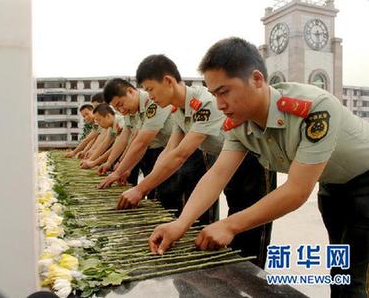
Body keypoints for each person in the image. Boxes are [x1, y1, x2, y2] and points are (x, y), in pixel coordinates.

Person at [149, 37, 369, 298]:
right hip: (332, 185)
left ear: (256, 79)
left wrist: (230, 225)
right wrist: (181, 224)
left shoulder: (313, 109)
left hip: (365, 181)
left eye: (224, 91)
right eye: (213, 95)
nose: (219, 104)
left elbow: (297, 191)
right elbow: (218, 174)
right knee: (340, 268)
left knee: (352, 278)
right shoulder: (239, 123)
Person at [121, 54, 274, 264]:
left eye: (150, 89)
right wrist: (147, 186)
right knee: (233, 218)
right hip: (224, 160)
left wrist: (141, 189)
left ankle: (255, 283)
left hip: (252, 160)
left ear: (168, 81)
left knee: (252, 233)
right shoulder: (177, 109)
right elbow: (170, 152)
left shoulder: (204, 103)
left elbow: (181, 155)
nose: (149, 95)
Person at [97, 78, 184, 211]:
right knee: (157, 195)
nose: (121, 110)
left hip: (181, 150)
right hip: (163, 151)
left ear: (131, 91)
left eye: (121, 104)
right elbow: (133, 138)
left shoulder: (153, 103)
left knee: (171, 196)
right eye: (116, 108)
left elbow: (142, 142)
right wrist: (123, 166)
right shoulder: (134, 109)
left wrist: (118, 171)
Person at [79, 103, 124, 169]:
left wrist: (94, 163)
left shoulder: (119, 123)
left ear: (108, 116)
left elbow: (116, 147)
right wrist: (89, 160)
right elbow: (105, 144)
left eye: (99, 120)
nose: (98, 124)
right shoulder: (111, 125)